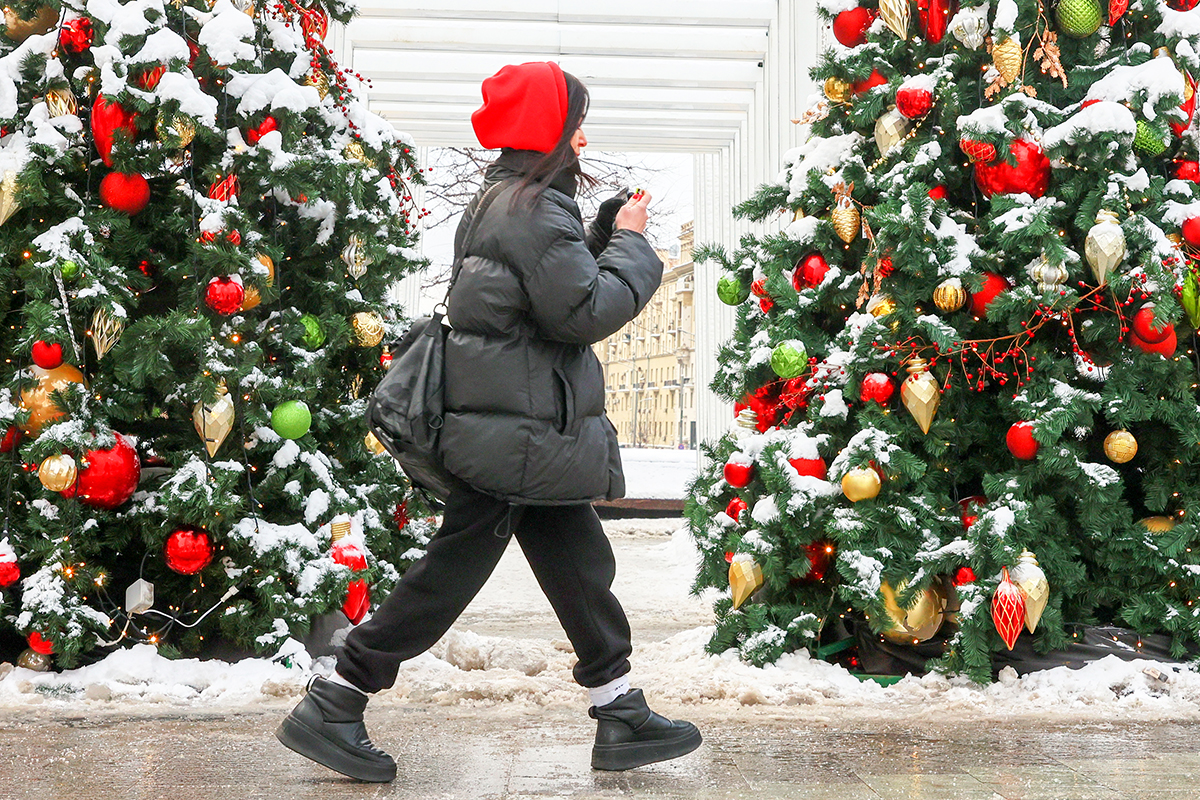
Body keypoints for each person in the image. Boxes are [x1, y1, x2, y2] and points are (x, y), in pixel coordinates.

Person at [275, 61, 702, 783]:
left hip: (521, 426)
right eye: (576, 123)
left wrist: (599, 232)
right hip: (518, 432)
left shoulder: (509, 201)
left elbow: (543, 292)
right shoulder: (533, 209)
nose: (584, 138)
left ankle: (620, 708)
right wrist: (633, 245)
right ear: (551, 130)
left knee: (579, 564)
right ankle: (338, 696)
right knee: (452, 572)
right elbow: (582, 312)